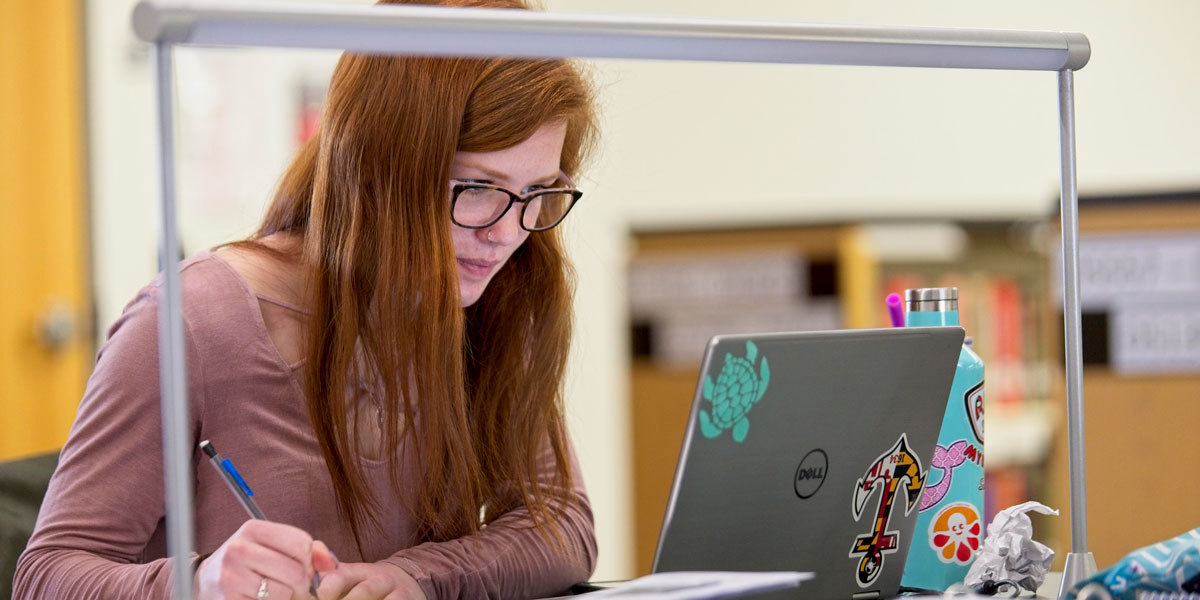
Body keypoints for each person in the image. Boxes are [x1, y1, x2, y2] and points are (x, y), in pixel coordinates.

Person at [13, 0, 599, 597]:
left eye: (538, 191)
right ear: (376, 172)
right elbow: (45, 576)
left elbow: (562, 525)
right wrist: (200, 583)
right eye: (476, 187)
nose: (507, 233)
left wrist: (416, 578)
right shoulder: (190, 321)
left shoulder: (495, 300)